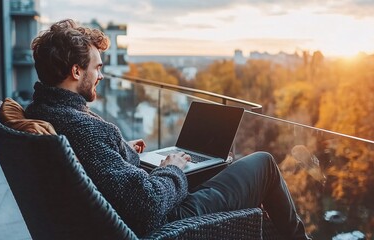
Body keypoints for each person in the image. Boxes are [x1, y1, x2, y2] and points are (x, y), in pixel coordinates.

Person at [25, 19, 311, 239]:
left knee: (221, 166)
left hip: (125, 210)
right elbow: (146, 208)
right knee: (264, 164)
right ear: (76, 71)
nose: (100, 75)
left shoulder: (44, 111)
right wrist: (172, 168)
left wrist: (123, 151)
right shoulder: (83, 128)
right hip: (167, 221)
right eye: (97, 68)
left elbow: (100, 165)